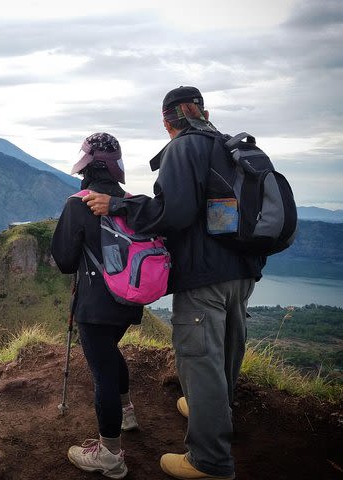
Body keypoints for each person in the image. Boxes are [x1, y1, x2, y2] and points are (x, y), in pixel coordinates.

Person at [82, 86, 264, 480]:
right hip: (243, 270)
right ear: (204, 112)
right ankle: (214, 410)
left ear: (167, 121)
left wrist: (118, 205)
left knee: (200, 362)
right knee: (228, 352)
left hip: (204, 276)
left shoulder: (184, 148)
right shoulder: (230, 148)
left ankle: (210, 461)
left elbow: (173, 213)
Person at [51, 132, 143, 479]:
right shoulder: (131, 201)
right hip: (129, 300)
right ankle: (127, 411)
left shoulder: (78, 203)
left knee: (102, 370)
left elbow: (63, 259)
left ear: (85, 165)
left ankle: (110, 455)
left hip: (94, 305)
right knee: (110, 353)